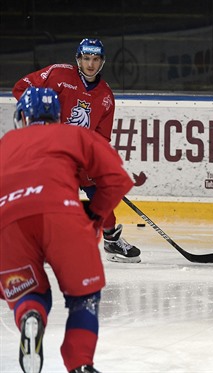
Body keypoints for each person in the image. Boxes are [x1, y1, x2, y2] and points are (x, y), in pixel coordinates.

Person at [0, 88, 134, 372]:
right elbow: (118, 179)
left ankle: (30, 314)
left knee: (29, 292)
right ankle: (80, 363)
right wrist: (96, 215)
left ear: (22, 117)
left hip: (8, 223)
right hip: (62, 215)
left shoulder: (5, 143)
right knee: (83, 298)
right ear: (58, 115)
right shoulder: (74, 135)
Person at [12, 38, 141, 263]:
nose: (90, 64)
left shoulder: (106, 96)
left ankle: (111, 241)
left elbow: (101, 136)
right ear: (78, 59)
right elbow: (21, 88)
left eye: (95, 59)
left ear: (102, 62)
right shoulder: (58, 74)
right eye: (86, 58)